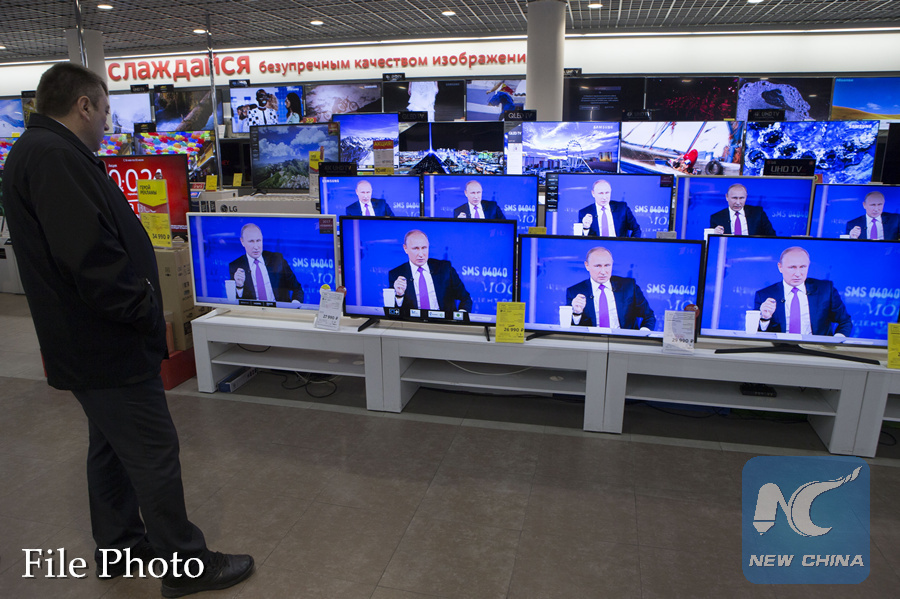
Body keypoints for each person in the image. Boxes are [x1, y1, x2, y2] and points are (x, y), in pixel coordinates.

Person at [1, 62, 253, 596]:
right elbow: (89, 258)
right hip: (105, 341)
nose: (108, 121)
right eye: (106, 109)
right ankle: (186, 565)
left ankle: (120, 547)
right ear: (84, 105)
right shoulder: (52, 157)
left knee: (111, 447)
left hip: (89, 342)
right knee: (152, 451)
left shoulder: (43, 151)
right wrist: (143, 308)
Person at [754, 246, 852, 336]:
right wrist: (765, 319)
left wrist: (835, 343)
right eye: (792, 267)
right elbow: (757, 334)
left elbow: (845, 322)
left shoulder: (826, 290)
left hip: (817, 347)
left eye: (802, 267)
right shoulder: (764, 295)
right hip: (780, 348)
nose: (798, 274)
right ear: (780, 267)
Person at [566, 246, 656, 330]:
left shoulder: (629, 286)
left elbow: (649, 316)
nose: (603, 272)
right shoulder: (574, 292)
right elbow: (570, 329)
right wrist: (576, 313)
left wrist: (641, 336)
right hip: (592, 340)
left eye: (607, 265)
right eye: (598, 266)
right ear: (587, 266)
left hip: (624, 339)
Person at [388, 229, 472, 313]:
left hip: (444, 320)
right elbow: (393, 313)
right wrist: (399, 296)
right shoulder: (396, 274)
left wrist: (460, 317)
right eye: (415, 248)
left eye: (424, 248)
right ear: (405, 248)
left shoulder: (445, 268)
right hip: (413, 320)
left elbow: (466, 298)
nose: (421, 254)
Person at [229, 223, 304, 303]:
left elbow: (297, 289)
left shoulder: (277, 259)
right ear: (242, 241)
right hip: (253, 310)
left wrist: (294, 305)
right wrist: (239, 287)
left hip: (279, 309)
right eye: (251, 241)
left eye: (258, 241)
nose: (256, 247)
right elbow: (234, 302)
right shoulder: (235, 266)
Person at [576, 179, 641, 238]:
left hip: (619, 246)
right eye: (601, 193)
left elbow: (636, 229)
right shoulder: (584, 213)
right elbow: (580, 239)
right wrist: (586, 228)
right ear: (593, 193)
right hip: (597, 247)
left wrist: (630, 244)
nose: (604, 197)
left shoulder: (622, 208)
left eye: (607, 193)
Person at [710, 183, 776, 236]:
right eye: (734, 198)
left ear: (746, 197)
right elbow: (712, 241)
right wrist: (714, 234)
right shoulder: (716, 218)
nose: (738, 202)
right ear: (727, 197)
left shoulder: (758, 213)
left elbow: (772, 236)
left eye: (741, 198)